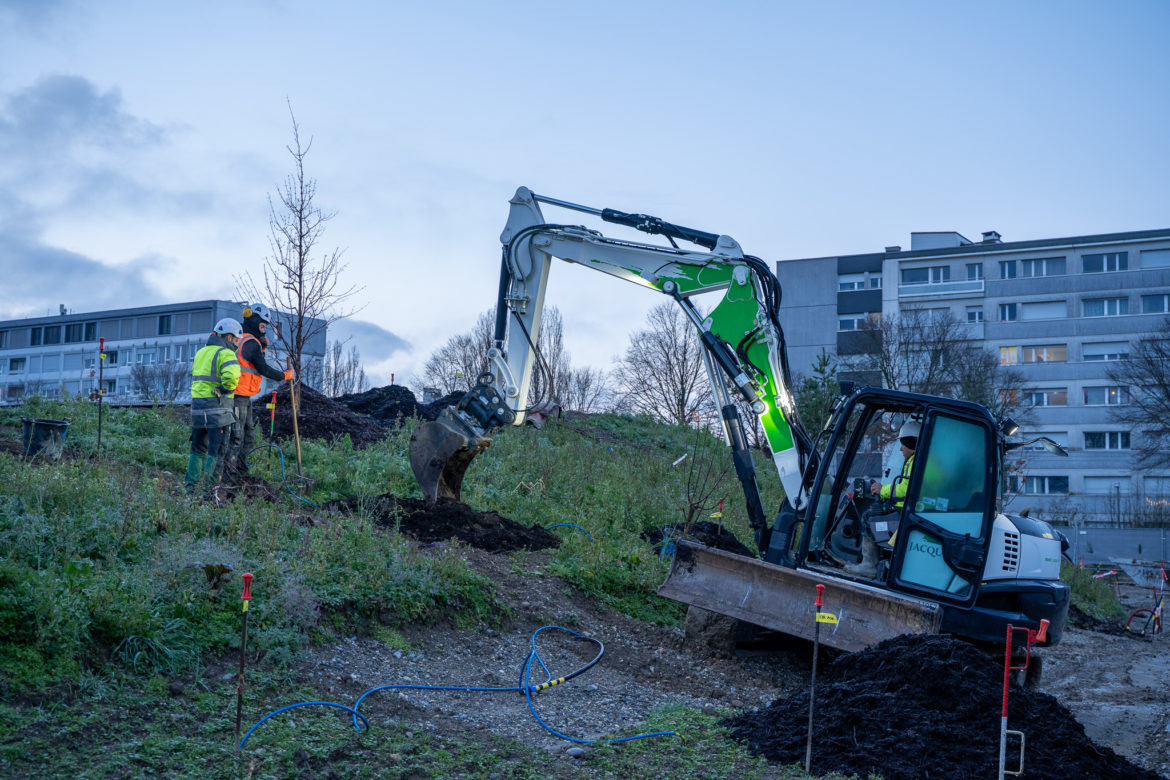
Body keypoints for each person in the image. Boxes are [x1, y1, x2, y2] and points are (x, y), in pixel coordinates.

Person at [221, 303, 293, 479]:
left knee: (249, 436)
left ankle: (240, 471)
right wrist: (285, 376)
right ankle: (229, 476)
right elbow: (263, 369)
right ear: (254, 320)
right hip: (236, 396)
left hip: (243, 396)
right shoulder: (250, 343)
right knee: (237, 437)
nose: (265, 329)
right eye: (262, 325)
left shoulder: (242, 340)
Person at [184, 318, 242, 495]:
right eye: (237, 341)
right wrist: (224, 389)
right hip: (218, 411)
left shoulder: (201, 352)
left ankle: (190, 488)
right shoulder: (226, 354)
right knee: (215, 452)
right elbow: (231, 378)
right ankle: (210, 492)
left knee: (197, 449)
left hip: (197, 410)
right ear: (230, 337)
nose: (237, 344)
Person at [870, 419, 920, 508]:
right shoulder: (916, 461)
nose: (901, 449)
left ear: (910, 444)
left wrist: (882, 490)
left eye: (903, 445)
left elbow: (906, 490)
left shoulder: (916, 463)